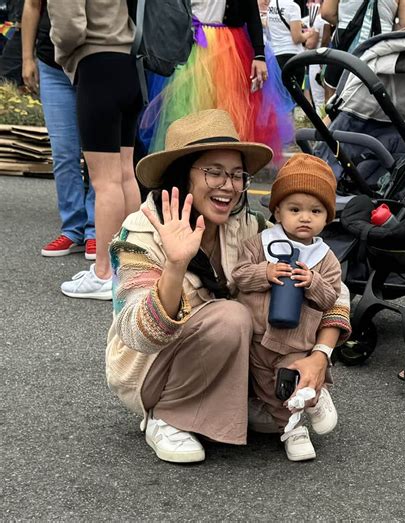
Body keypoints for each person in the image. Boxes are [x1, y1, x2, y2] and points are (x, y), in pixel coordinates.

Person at [106, 109, 352, 464]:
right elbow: (137, 335)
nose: (230, 185)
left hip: (235, 361)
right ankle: (167, 416)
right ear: (181, 174)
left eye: (237, 174)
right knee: (231, 316)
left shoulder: (250, 226)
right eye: (214, 172)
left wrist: (319, 356)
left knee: (290, 294)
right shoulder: (141, 231)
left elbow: (335, 291)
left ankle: (239, 400)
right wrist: (175, 266)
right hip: (148, 369)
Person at [232, 153, 342, 461]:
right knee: (267, 387)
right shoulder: (260, 242)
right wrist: (264, 273)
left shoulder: (325, 258)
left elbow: (331, 297)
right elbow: (239, 276)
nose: (305, 217)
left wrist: (313, 281)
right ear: (278, 210)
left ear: (327, 217)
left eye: (316, 211)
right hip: (256, 337)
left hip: (296, 341)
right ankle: (292, 423)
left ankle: (297, 425)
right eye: (295, 209)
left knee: (288, 383)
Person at [48, 0, 143, 299]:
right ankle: (130, 267)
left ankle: (104, 272)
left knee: (105, 182)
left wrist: (62, 54)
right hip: (129, 63)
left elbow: (69, 28)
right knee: (126, 173)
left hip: (97, 64)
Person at [139, 0, 294, 161]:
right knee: (185, 113)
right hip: (190, 46)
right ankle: (188, 168)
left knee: (227, 118)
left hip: (228, 50)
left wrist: (259, 54)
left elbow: (251, 12)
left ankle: (224, 166)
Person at [21, 0, 96, 259]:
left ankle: (95, 230)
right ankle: (73, 229)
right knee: (64, 152)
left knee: (98, 153)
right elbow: (32, 5)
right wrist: (27, 58)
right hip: (51, 64)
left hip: (95, 61)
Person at [321, 0, 405, 98]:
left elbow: (327, 13)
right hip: (380, 44)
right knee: (376, 94)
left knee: (334, 94)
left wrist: (347, 21)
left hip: (345, 40)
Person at [266, 0, 316, 88]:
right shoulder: (293, 7)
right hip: (293, 56)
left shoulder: (272, 3)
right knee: (295, 96)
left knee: (281, 95)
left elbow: (268, 27)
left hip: (276, 55)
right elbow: (296, 38)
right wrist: (309, 33)